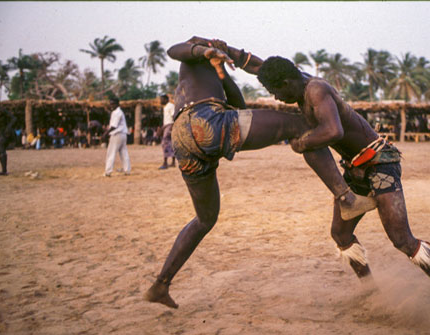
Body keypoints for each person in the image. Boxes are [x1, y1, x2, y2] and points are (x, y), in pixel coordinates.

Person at [144, 37, 376, 309]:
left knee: (205, 218)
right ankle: (346, 198)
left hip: (184, 140)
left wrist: (223, 74)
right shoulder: (194, 52)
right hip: (205, 121)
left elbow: (240, 109)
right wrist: (206, 50)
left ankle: (161, 284)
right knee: (301, 126)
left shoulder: (205, 72)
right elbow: (175, 50)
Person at [251, 55, 430, 317]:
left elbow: (333, 131)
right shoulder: (301, 91)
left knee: (402, 239)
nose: (275, 98)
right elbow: (260, 66)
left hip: (379, 164)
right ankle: (371, 292)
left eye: (276, 91)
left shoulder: (315, 90)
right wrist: (231, 54)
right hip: (355, 170)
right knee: (340, 235)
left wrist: (302, 143)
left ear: (286, 82)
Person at [102, 97, 131, 177]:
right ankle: (127, 170)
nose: (111, 106)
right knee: (124, 152)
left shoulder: (117, 112)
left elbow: (114, 126)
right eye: (110, 104)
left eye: (113, 104)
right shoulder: (118, 112)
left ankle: (108, 172)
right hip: (123, 134)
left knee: (111, 153)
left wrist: (105, 133)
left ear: (117, 104)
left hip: (117, 134)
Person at [157, 94, 176, 169]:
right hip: (167, 125)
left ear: (166, 99)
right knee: (170, 143)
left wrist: (172, 127)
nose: (160, 101)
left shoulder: (170, 106)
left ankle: (165, 163)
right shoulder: (166, 107)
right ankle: (173, 162)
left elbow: (173, 116)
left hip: (169, 125)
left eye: (161, 99)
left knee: (165, 143)